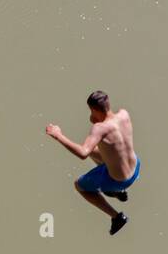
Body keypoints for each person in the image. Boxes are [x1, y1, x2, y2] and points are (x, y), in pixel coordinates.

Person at [45, 90, 140, 235]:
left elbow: (83, 153)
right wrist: (97, 117)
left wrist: (58, 136)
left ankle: (117, 217)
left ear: (94, 109)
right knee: (95, 150)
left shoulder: (99, 129)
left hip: (120, 180)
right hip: (135, 168)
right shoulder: (123, 114)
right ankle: (115, 191)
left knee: (79, 185)